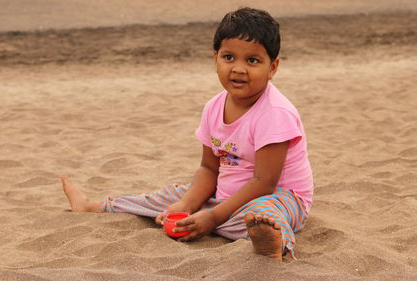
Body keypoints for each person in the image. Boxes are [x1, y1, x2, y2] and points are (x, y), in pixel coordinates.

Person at [61, 7, 313, 262]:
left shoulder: (275, 112)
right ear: (215, 59)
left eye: (252, 61)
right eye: (229, 57)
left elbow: (264, 182)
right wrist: (187, 205)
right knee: (171, 196)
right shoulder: (214, 107)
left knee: (264, 215)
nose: (238, 69)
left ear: (273, 68)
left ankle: (273, 245)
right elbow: (208, 169)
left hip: (278, 196)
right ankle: (96, 206)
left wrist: (213, 217)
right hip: (225, 193)